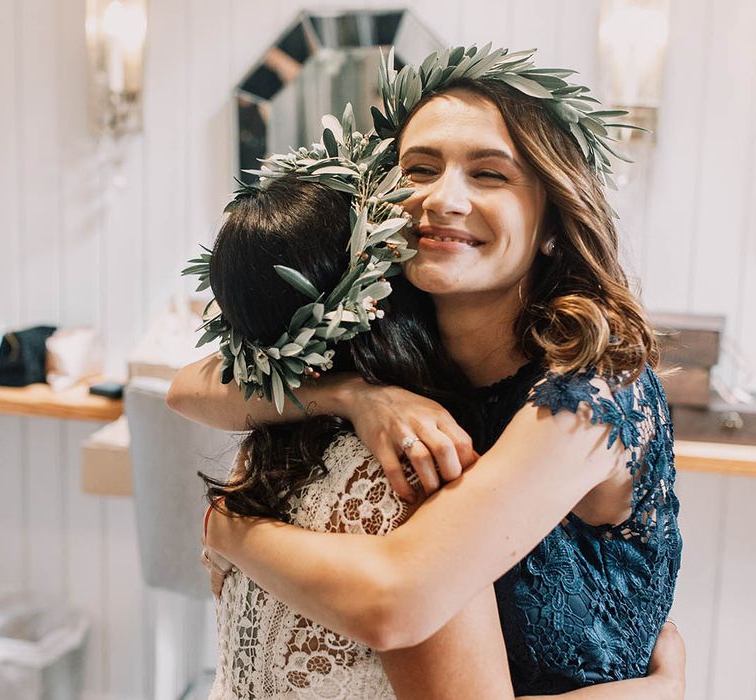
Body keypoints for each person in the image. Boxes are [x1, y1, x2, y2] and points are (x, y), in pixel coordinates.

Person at [170, 47, 683, 696]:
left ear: (553, 224)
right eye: (420, 168)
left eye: (490, 175)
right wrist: (355, 395)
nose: (444, 198)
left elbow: (396, 601)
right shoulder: (394, 347)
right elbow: (190, 385)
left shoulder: (591, 394)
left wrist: (229, 529)